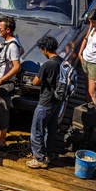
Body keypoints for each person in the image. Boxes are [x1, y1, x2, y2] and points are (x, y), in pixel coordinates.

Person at [26, 35, 62, 169]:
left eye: (42, 49)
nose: (42, 52)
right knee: (51, 129)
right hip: (57, 101)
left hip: (45, 101)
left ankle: (39, 158)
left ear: (45, 49)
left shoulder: (48, 65)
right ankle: (48, 154)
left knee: (36, 130)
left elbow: (35, 81)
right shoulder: (62, 62)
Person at [0, 16, 21, 150]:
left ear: (7, 30)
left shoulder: (12, 46)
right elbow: (20, 51)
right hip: (0, 81)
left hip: (4, 84)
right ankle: (0, 132)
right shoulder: (14, 42)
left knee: (2, 110)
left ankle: (2, 140)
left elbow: (17, 66)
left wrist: (1, 79)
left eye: (0, 29)